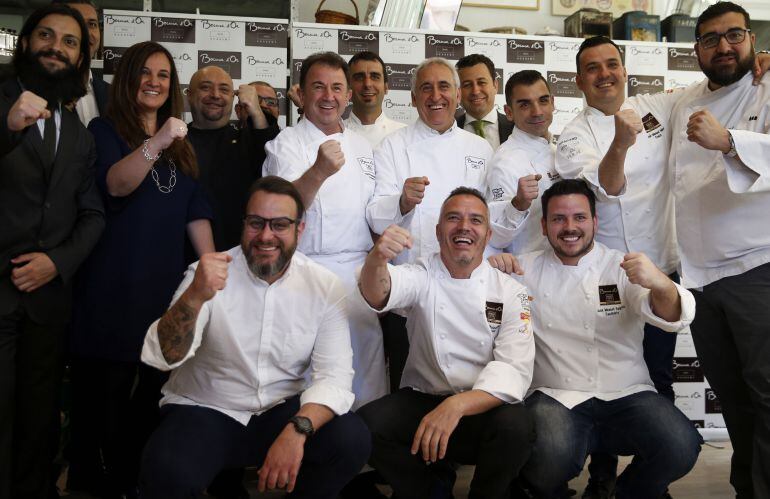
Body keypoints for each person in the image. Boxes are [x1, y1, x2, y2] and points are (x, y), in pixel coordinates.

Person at [138, 176, 370, 499]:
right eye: (256, 223)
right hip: (207, 408)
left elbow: (335, 376)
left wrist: (298, 429)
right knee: (165, 470)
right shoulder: (204, 275)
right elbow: (163, 358)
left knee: (351, 439)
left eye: (279, 225)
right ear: (244, 224)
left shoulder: (324, 286)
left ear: (298, 231)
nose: (266, 236)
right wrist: (194, 297)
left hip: (279, 411)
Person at [489, 179, 702, 499]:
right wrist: (488, 273)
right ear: (544, 226)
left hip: (627, 392)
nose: (569, 227)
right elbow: (483, 314)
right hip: (556, 394)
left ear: (595, 222)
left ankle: (631, 492)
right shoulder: (523, 269)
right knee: (548, 462)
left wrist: (661, 284)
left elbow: (670, 317)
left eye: (579, 217)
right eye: (559, 219)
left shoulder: (621, 265)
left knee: (681, 445)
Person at [67, 41, 214, 497]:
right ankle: (94, 484)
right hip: (112, 292)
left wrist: (210, 271)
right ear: (127, 79)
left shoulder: (182, 145)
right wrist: (160, 139)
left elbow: (196, 210)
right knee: (104, 404)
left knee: (148, 401)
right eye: (145, 73)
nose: (154, 82)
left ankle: (132, 482)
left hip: (163, 292)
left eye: (164, 75)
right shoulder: (104, 130)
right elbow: (117, 183)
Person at [358, 187, 535, 499]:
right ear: (439, 232)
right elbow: (378, 292)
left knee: (518, 427)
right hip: (425, 399)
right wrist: (378, 257)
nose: (464, 226)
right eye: (453, 218)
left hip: (482, 407)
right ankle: (429, 491)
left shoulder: (510, 291)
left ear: (488, 233)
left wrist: (456, 405)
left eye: (475, 220)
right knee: (366, 428)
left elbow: (513, 370)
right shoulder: (422, 274)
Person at [0, 5, 104, 498]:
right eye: (46, 35)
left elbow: (93, 216)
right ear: (24, 43)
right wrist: (6, 128)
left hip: (47, 299)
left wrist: (56, 262)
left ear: (81, 56)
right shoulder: (2, 104)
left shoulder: (80, 134)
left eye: (69, 42)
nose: (56, 47)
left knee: (39, 415)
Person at [667, 2, 770, 496]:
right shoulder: (682, 98)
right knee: (733, 397)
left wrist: (730, 141)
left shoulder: (768, 84)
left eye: (734, 35)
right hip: (702, 279)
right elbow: (629, 115)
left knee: (768, 395)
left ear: (752, 39)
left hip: (757, 268)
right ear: (697, 50)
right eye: (711, 39)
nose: (724, 46)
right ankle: (746, 486)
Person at [263, 51, 387, 410]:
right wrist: (317, 171)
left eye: (337, 88)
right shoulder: (285, 144)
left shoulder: (363, 146)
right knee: (310, 380)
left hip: (356, 275)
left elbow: (373, 214)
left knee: (364, 374)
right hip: (306, 274)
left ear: (348, 95)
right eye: (318, 87)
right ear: (300, 94)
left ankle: (364, 460)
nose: (328, 96)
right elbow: (278, 213)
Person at [367, 56, 523, 266]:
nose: (436, 96)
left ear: (457, 95)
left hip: (469, 268)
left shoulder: (480, 148)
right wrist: (401, 202)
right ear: (414, 98)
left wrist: (519, 204)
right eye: (426, 88)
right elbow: (375, 218)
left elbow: (492, 215)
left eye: (444, 86)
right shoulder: (391, 146)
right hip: (412, 269)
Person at [187, 66, 279, 251]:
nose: (215, 95)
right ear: (189, 94)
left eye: (224, 90)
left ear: (233, 97)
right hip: (182, 256)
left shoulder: (246, 141)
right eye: (205, 87)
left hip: (241, 257)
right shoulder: (174, 142)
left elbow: (272, 158)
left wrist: (255, 109)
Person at [487, 69, 559, 256]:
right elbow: (495, 238)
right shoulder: (505, 162)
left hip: (565, 269)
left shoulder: (559, 151)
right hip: (527, 272)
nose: (537, 112)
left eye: (543, 101)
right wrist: (518, 204)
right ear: (509, 112)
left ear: (552, 103)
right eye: (525, 105)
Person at [52, 0, 109, 125]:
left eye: (92, 24)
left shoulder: (110, 94)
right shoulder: (33, 89)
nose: (86, 33)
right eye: (77, 23)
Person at [344, 51, 406, 148]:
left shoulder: (404, 134)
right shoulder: (333, 134)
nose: (367, 84)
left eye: (375, 77)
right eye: (359, 77)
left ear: (386, 87)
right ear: (348, 88)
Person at [455, 53, 513, 150]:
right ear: (458, 91)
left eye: (481, 82)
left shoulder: (517, 128)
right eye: (467, 85)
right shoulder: (447, 131)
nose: (475, 91)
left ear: (495, 86)